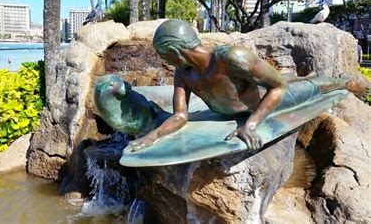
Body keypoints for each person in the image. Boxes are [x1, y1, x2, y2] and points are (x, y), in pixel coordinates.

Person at [128, 19, 368, 152]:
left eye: (163, 55)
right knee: (287, 79)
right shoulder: (183, 73)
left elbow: (277, 88)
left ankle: (347, 81)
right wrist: (153, 137)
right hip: (241, 105)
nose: (163, 62)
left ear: (173, 50)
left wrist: (251, 125)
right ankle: (303, 78)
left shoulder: (232, 57)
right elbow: (181, 116)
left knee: (320, 86)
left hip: (270, 101)